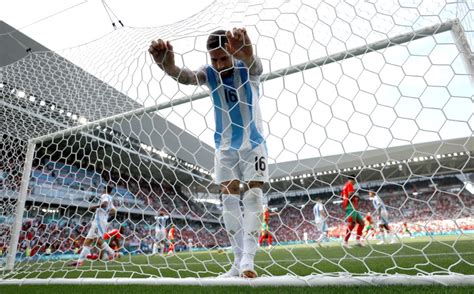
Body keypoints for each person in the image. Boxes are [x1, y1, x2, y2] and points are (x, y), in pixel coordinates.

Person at [149, 28, 267, 278]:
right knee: (229, 198)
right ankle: (236, 262)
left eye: (224, 58)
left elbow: (255, 65)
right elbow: (189, 77)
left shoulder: (246, 68)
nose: (219, 64)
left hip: (253, 143)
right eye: (214, 59)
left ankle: (248, 259)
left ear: (233, 52)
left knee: (254, 194)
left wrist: (247, 53)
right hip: (224, 146)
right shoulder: (210, 73)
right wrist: (168, 68)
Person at [69, 185, 119, 266]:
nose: (102, 191)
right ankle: (79, 262)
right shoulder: (110, 198)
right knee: (87, 241)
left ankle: (112, 253)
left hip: (99, 222)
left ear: (105, 189)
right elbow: (114, 211)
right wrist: (106, 214)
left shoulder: (105, 196)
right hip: (98, 221)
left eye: (103, 189)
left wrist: (94, 207)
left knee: (98, 240)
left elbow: (105, 204)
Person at [341, 175, 364, 248]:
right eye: (355, 181)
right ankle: (345, 242)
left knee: (362, 223)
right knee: (352, 224)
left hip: (353, 207)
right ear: (353, 180)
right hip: (350, 207)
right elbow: (350, 194)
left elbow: (342, 196)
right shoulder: (349, 185)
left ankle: (358, 240)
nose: (355, 183)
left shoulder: (345, 186)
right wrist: (356, 195)